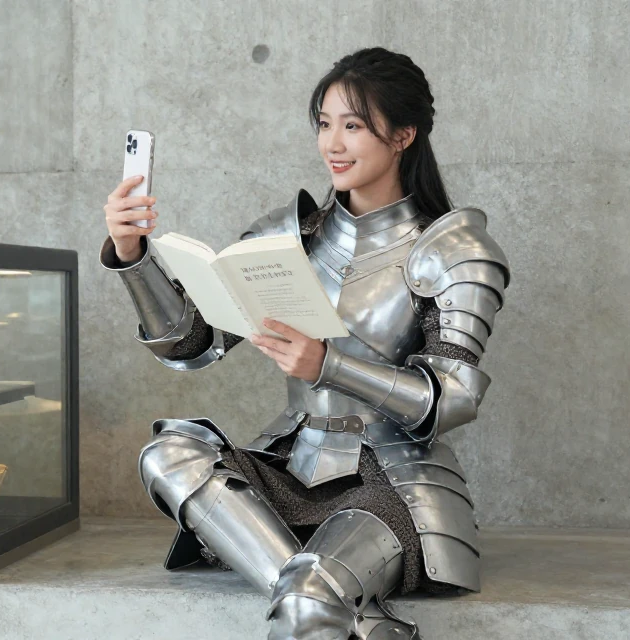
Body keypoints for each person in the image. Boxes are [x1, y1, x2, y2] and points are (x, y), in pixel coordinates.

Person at [99, 47, 510, 639]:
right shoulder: (289, 237)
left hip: (389, 478)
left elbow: (452, 399)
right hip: (291, 461)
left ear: (403, 134)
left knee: (309, 602)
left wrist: (328, 365)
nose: (332, 144)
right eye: (323, 124)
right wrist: (133, 256)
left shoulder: (454, 252)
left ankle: (315, 600)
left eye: (353, 125)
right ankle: (364, 626)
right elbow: (192, 344)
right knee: (168, 453)